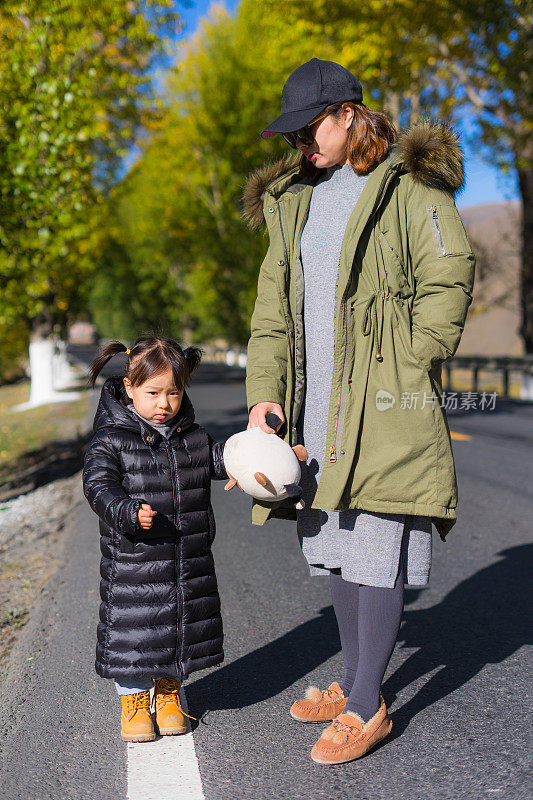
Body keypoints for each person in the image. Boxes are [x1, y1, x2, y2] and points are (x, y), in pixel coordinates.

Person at [243, 58, 475, 765]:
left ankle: (368, 706)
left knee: (374, 540)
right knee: (335, 540)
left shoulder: (407, 184)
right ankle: (352, 682)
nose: (299, 146)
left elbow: (450, 270)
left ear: (348, 113)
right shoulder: (295, 197)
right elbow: (272, 310)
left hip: (381, 395)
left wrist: (410, 358)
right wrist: (264, 390)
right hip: (313, 404)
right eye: (290, 137)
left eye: (308, 129)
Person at [82, 335, 227, 742]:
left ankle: (168, 694)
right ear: (129, 389)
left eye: (174, 393)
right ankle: (133, 702)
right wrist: (127, 511)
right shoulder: (111, 440)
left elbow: (217, 458)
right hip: (134, 560)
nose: (164, 404)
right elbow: (98, 486)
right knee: (134, 631)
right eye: (153, 393)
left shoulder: (191, 436)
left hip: (185, 557)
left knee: (176, 626)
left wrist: (255, 457)